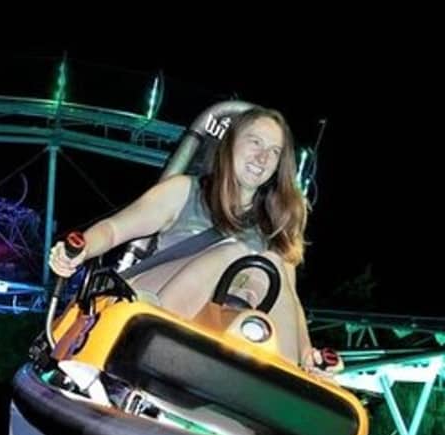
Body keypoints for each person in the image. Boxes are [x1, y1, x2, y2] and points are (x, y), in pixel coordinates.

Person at [50, 105, 331, 372]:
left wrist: (308, 354)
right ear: (230, 144)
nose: (262, 157)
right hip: (150, 299)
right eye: (255, 142)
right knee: (235, 253)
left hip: (217, 325)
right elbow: (113, 230)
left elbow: (290, 299)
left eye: (274, 151)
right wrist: (82, 249)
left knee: (272, 264)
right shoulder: (185, 191)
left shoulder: (276, 224)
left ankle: (287, 379)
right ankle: (143, 352)